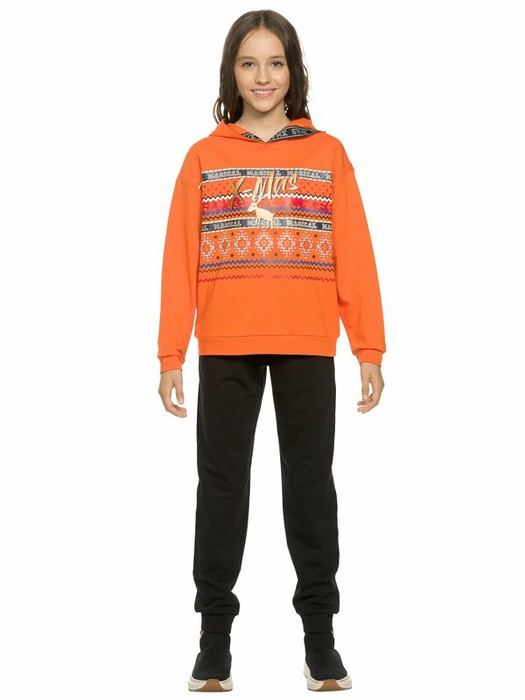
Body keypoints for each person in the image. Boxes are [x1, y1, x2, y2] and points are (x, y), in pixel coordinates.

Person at [157, 9, 386, 693]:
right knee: (221, 490)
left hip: (306, 343)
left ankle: (320, 639)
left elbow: (355, 253)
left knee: (309, 488)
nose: (263, 76)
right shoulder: (203, 158)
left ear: (294, 71)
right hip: (225, 343)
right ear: (231, 72)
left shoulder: (327, 153)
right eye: (249, 63)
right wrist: (170, 355)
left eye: (276, 62)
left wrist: (368, 346)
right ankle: (213, 640)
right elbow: (179, 260)